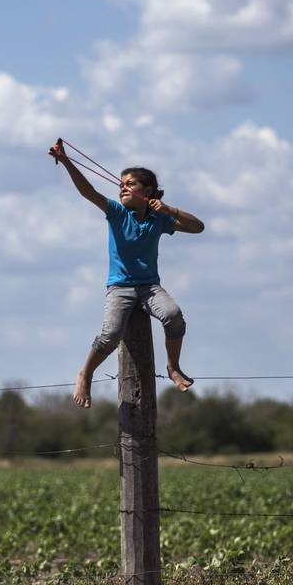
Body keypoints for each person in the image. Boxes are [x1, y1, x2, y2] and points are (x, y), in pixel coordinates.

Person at [48, 138, 204, 408]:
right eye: (121, 184)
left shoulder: (159, 218)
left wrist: (169, 209)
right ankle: (85, 374)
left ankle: (173, 367)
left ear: (148, 190)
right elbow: (88, 191)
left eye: (130, 184)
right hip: (120, 287)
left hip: (150, 287)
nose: (122, 188)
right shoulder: (117, 213)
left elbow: (197, 227)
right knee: (110, 335)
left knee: (173, 316)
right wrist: (66, 161)